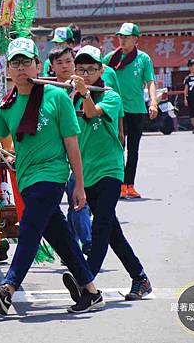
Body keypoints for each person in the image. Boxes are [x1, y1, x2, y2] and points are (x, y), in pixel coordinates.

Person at [0, 38, 105, 315]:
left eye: (26, 62)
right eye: (15, 63)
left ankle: (8, 288)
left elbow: (72, 144)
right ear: (9, 70)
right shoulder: (7, 105)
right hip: (26, 178)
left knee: (28, 228)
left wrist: (80, 184)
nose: (21, 68)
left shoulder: (57, 98)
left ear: (38, 66)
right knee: (60, 236)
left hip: (51, 174)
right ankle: (92, 292)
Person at [63, 45, 152, 302]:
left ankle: (86, 279)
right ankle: (140, 278)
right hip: (86, 174)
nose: (86, 73)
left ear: (102, 70)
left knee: (100, 226)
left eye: (91, 69)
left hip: (110, 170)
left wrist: (85, 93)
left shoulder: (110, 96)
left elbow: (91, 114)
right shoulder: (71, 99)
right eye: (81, 69)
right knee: (113, 231)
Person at [103, 23, 157, 200]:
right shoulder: (110, 58)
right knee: (118, 147)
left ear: (135, 38)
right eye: (120, 36)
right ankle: (117, 185)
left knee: (133, 149)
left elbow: (150, 81)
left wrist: (153, 102)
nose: (123, 40)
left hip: (136, 109)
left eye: (126, 37)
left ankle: (129, 185)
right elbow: (96, 73)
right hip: (116, 110)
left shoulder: (143, 59)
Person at [48, 46, 92, 257]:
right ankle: (71, 248)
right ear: (52, 66)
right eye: (60, 63)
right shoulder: (47, 90)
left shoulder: (84, 86)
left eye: (68, 61)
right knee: (55, 208)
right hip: (54, 155)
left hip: (79, 151)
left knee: (77, 201)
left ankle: (88, 243)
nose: (65, 66)